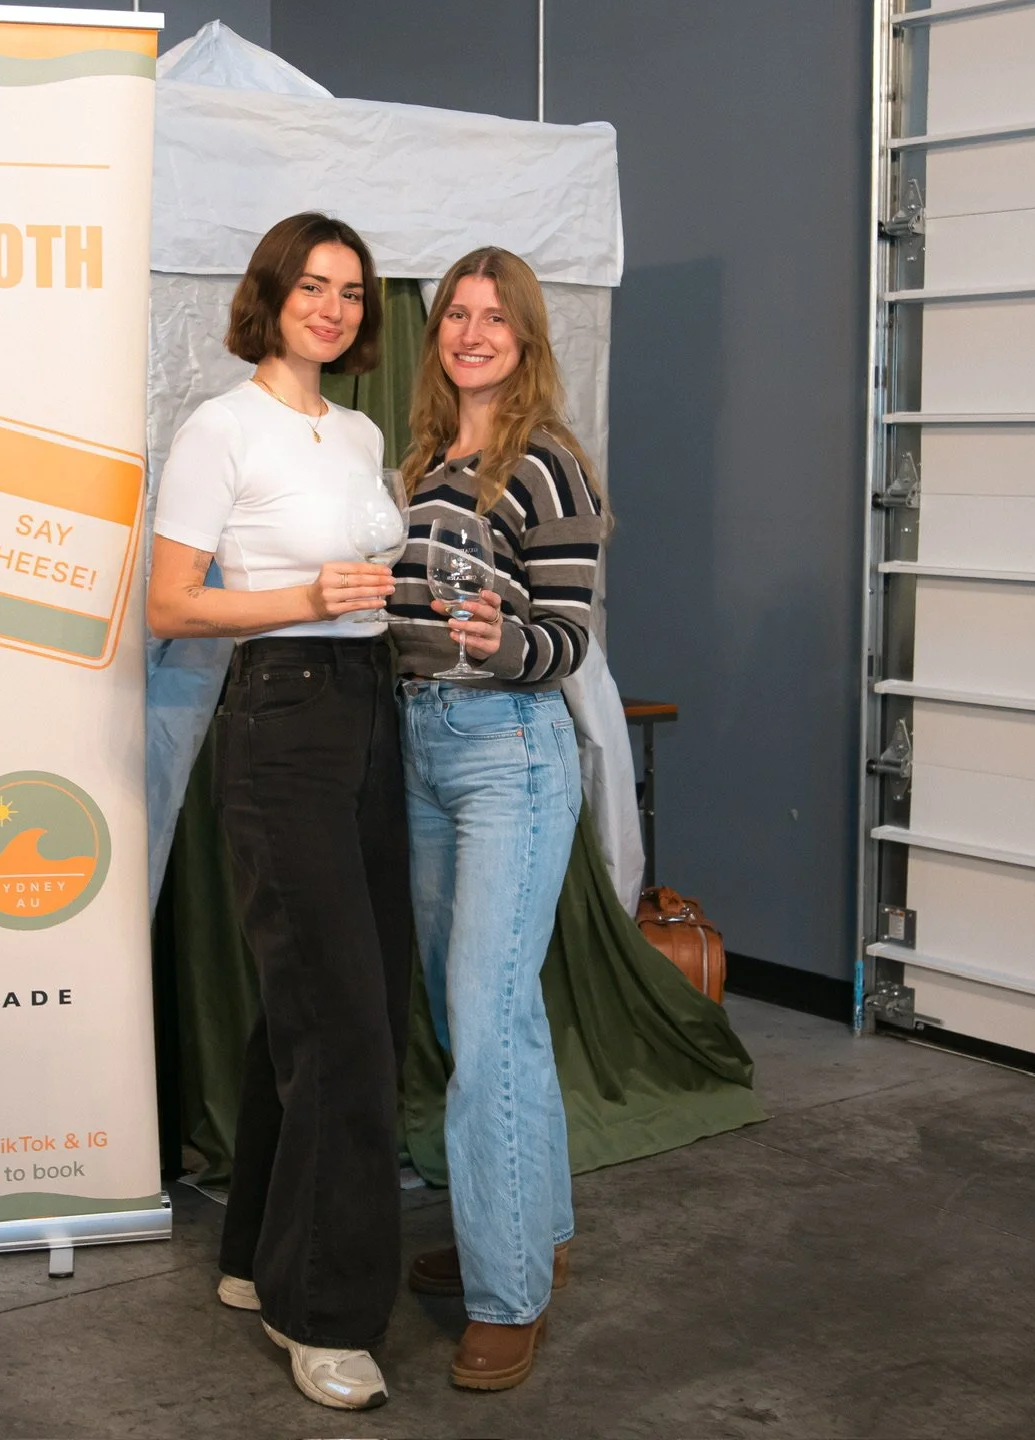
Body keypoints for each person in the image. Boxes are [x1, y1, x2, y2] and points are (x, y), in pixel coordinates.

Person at [146, 212, 410, 1413]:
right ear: (272, 295)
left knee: (316, 1007)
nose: (335, 307)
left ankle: (257, 1258)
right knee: (342, 1027)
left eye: (352, 291)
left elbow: (373, 583)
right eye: (313, 285)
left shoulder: (357, 431)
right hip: (281, 720)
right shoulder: (220, 427)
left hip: (370, 710)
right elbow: (169, 607)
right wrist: (306, 594)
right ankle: (326, 1317)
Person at [388, 246, 607, 1392]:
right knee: (480, 1015)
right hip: (425, 742)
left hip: (508, 749)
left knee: (483, 1020)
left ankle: (507, 1296)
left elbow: (568, 636)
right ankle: (530, 1231)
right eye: (454, 316)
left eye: (493, 318)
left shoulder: (547, 465)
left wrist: (499, 642)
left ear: (524, 338)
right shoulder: (427, 460)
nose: (472, 333)